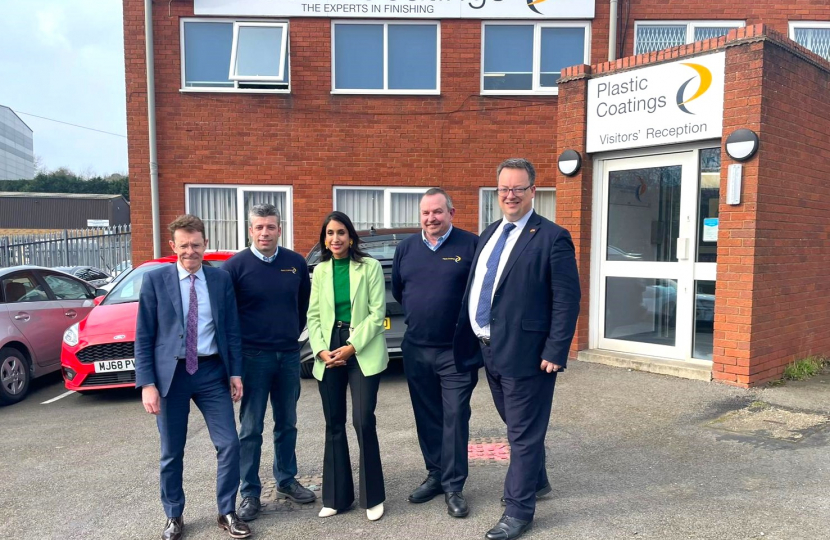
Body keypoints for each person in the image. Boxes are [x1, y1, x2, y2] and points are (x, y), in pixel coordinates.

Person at [453, 158, 581, 540]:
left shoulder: (552, 237)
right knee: (518, 425)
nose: (510, 195)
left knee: (522, 434)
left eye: (518, 189)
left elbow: (566, 299)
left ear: (532, 192)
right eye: (504, 189)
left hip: (529, 354)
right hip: (489, 348)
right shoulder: (491, 231)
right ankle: (537, 480)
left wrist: (556, 351)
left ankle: (518, 509)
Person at [135, 214, 251, 540]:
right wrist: (147, 384)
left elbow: (231, 330)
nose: (190, 251)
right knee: (172, 450)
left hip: (212, 371)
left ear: (206, 244)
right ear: (173, 246)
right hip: (171, 376)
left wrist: (236, 373)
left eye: (196, 245)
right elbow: (143, 336)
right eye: (184, 245)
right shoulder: (156, 281)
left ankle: (227, 511)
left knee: (229, 443)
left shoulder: (220, 280)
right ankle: (174, 515)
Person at [222, 204, 315, 522]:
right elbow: (227, 318)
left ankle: (286, 480)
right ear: (250, 230)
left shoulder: (295, 263)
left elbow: (302, 305)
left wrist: (289, 334)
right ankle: (249, 492)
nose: (265, 232)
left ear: (279, 228)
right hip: (253, 358)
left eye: (271, 227)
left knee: (287, 423)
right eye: (259, 227)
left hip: (288, 355)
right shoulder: (234, 267)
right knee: (250, 429)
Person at [391, 188, 479, 518]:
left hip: (456, 351)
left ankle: (454, 486)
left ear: (451, 213)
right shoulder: (406, 248)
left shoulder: (471, 245)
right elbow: (401, 289)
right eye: (426, 213)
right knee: (427, 415)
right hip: (416, 348)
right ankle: (436, 474)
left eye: (438, 212)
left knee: (455, 416)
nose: (432, 218)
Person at [306, 211, 388, 521]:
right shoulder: (321, 271)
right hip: (329, 348)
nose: (335, 238)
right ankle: (337, 497)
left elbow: (377, 314)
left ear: (350, 236)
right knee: (334, 423)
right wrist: (321, 350)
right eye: (329, 233)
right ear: (324, 239)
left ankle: (373, 498)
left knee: (363, 419)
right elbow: (313, 316)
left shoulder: (369, 267)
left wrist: (352, 348)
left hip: (360, 347)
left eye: (341, 232)